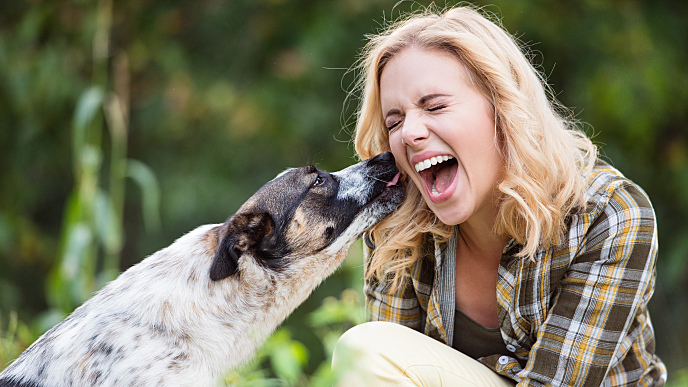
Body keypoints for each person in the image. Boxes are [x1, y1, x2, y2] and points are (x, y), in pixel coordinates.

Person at [331, 5, 667, 386]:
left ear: (503, 106)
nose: (409, 133)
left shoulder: (610, 212)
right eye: (395, 121)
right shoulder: (397, 224)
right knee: (366, 352)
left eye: (435, 106)